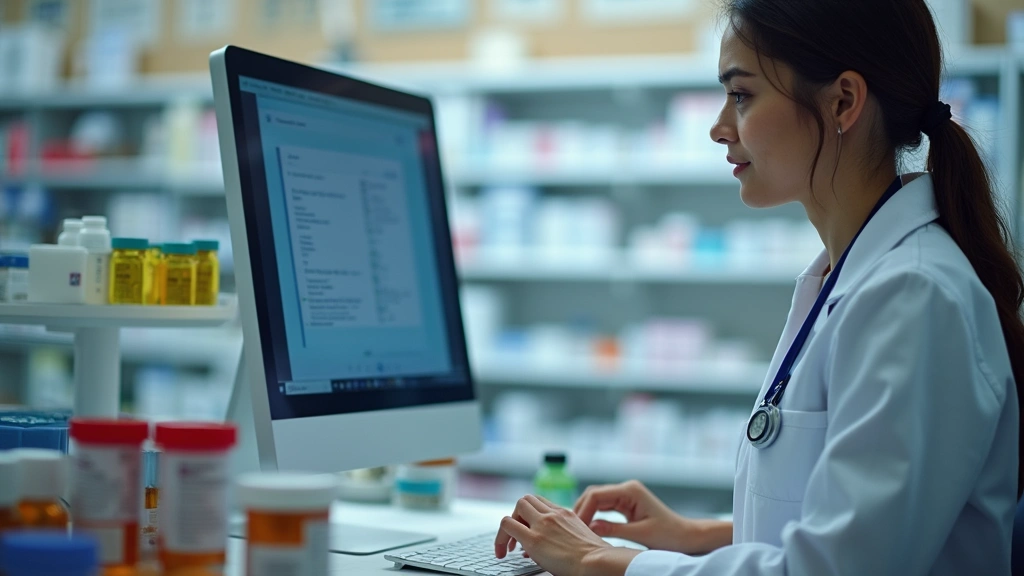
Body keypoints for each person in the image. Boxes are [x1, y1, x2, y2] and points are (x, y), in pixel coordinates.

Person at [492, 0, 1024, 574]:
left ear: (843, 101)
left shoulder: (914, 296)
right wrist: (693, 534)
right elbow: (852, 524)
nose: (720, 127)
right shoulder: (852, 274)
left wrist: (604, 562)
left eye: (741, 95)